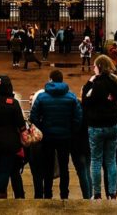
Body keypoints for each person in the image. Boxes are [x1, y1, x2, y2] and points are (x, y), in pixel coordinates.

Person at [81, 54, 117, 200]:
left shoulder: (98, 84)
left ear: (100, 67)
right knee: (111, 161)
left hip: (96, 126)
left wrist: (89, 83)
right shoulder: (114, 83)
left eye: (95, 66)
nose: (93, 68)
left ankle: (97, 194)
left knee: (96, 161)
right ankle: (112, 193)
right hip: (112, 125)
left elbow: (86, 101)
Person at [29, 69, 82, 199]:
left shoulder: (42, 97)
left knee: (48, 166)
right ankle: (64, 194)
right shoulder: (71, 97)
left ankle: (48, 193)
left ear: (50, 79)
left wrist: (42, 128)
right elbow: (78, 117)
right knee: (64, 166)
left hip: (48, 136)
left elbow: (33, 116)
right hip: (65, 136)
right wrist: (71, 130)